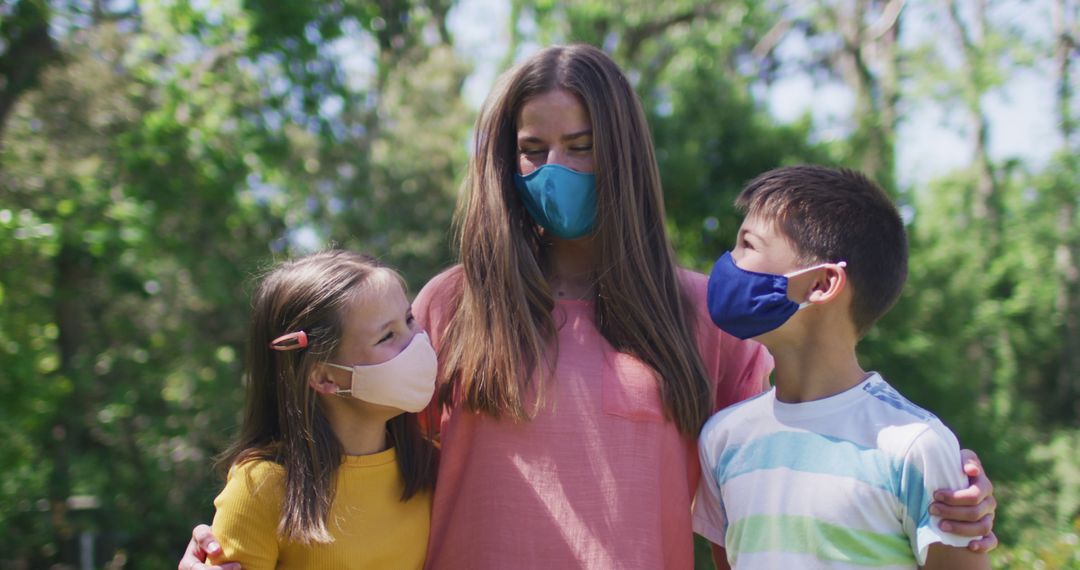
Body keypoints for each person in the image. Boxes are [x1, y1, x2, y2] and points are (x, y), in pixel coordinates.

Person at [180, 45, 996, 570]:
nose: (554, 168)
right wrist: (243, 540)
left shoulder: (703, 315)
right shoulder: (447, 305)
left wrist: (940, 492)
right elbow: (350, 459)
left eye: (580, 147)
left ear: (624, 155)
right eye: (532, 150)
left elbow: (787, 475)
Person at [694, 165, 990, 569]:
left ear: (820, 284)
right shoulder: (722, 440)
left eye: (748, 244)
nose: (729, 263)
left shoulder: (914, 446)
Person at [205, 250, 437, 569]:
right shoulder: (260, 487)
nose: (416, 342)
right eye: (387, 336)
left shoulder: (432, 464)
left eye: (409, 320)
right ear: (323, 376)